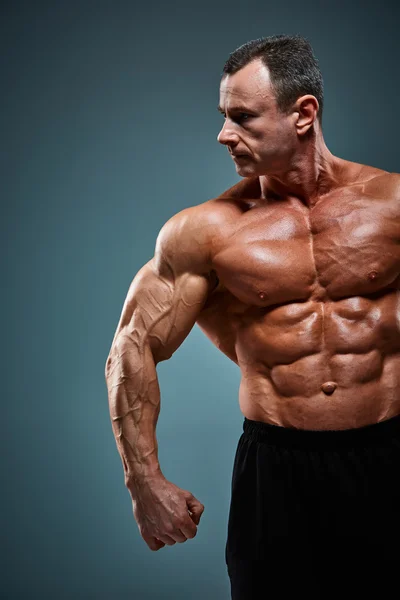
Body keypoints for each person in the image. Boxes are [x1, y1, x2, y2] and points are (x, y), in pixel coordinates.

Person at [105, 34, 400, 597]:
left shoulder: (391, 207)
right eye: (223, 116)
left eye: (242, 117)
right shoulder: (207, 232)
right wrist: (144, 483)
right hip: (279, 472)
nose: (223, 134)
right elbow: (131, 347)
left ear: (303, 113)